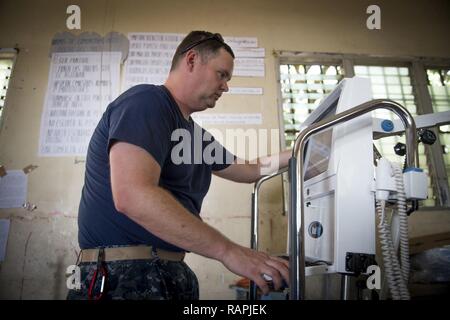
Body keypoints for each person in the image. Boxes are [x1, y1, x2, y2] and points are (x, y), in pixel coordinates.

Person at [67, 31, 291, 300]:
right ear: (192, 60)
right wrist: (229, 251)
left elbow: (252, 170)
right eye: (222, 74)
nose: (226, 86)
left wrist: (302, 148)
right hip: (121, 276)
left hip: (170, 273)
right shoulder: (146, 102)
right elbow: (132, 195)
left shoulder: (195, 137)